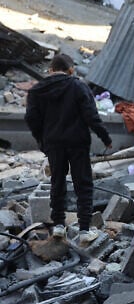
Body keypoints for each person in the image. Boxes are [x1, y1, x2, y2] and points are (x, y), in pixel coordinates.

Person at [25, 54, 112, 247]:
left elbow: (31, 119)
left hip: (53, 144)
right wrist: (105, 138)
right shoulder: (79, 86)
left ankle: (58, 225)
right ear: (71, 70)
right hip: (78, 143)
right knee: (83, 185)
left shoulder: (37, 91)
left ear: (50, 70)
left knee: (57, 181)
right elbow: (91, 116)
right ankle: (84, 230)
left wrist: (42, 141)